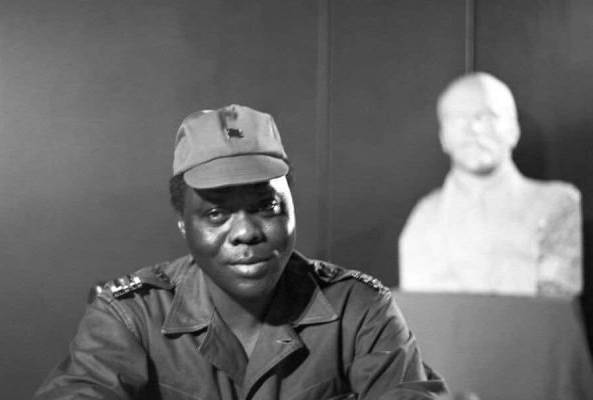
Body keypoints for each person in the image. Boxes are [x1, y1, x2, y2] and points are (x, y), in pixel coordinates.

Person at [34, 105, 448, 399]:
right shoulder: (130, 316)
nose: (246, 232)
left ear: (292, 207)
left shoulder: (360, 311)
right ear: (183, 222)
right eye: (216, 213)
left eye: (266, 207)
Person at [399, 72, 583, 297]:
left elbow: (556, 302)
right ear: (443, 137)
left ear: (513, 131)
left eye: (486, 117)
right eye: (457, 119)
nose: (473, 130)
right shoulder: (423, 218)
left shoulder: (556, 203)